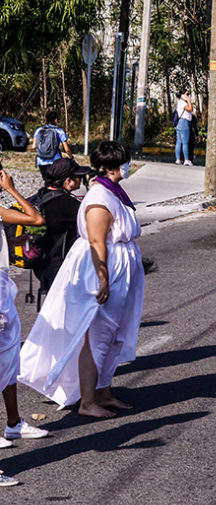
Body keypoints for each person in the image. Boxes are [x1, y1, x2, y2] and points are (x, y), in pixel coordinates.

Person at [19, 141, 145, 419]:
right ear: (114, 166)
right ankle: (88, 401)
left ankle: (104, 392)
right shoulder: (100, 198)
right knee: (99, 336)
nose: (128, 166)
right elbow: (98, 241)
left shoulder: (113, 191)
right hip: (104, 270)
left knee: (113, 335)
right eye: (125, 161)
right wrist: (103, 280)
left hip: (120, 268)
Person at [0, 168, 50, 468]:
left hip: (3, 286)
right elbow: (36, 219)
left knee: (8, 358)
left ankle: (15, 422)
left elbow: (35, 221)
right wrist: (13, 191)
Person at [29, 158, 91, 295]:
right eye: (79, 177)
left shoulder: (40, 196)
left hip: (42, 264)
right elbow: (94, 222)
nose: (81, 180)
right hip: (61, 267)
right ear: (68, 181)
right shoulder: (68, 204)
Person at [33, 111, 72, 176]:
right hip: (55, 161)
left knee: (46, 180)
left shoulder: (39, 130)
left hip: (40, 161)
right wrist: (71, 157)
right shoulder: (59, 131)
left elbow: (33, 146)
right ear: (56, 120)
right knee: (55, 181)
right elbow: (67, 149)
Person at [175, 91, 195, 166]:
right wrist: (188, 100)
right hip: (184, 122)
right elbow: (190, 109)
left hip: (180, 123)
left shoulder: (179, 102)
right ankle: (186, 160)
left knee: (179, 142)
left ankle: (178, 159)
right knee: (185, 142)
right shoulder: (182, 103)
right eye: (186, 94)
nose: (187, 96)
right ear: (182, 95)